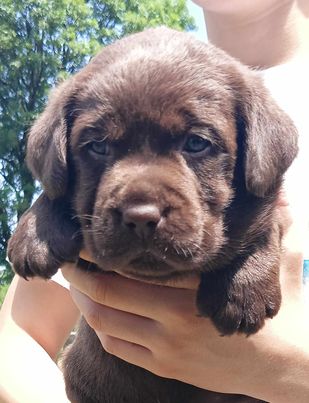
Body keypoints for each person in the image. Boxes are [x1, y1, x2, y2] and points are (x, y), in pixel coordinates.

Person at [1, 0, 309, 401]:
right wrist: (51, 208)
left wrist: (292, 373)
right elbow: (19, 335)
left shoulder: (246, 103)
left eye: (197, 143)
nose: (142, 209)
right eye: (98, 146)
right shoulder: (110, 79)